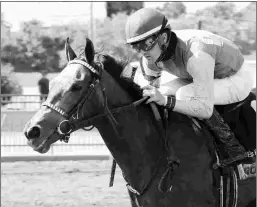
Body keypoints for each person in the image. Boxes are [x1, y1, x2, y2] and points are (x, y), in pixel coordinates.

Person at [125, 8, 256, 173]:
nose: (142, 52)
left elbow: (205, 109)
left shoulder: (197, 54)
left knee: (184, 95)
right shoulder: (151, 54)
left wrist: (166, 101)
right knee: (158, 90)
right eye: (136, 47)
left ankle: (235, 149)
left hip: (235, 78)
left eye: (145, 44)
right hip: (198, 74)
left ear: (163, 38)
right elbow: (151, 89)